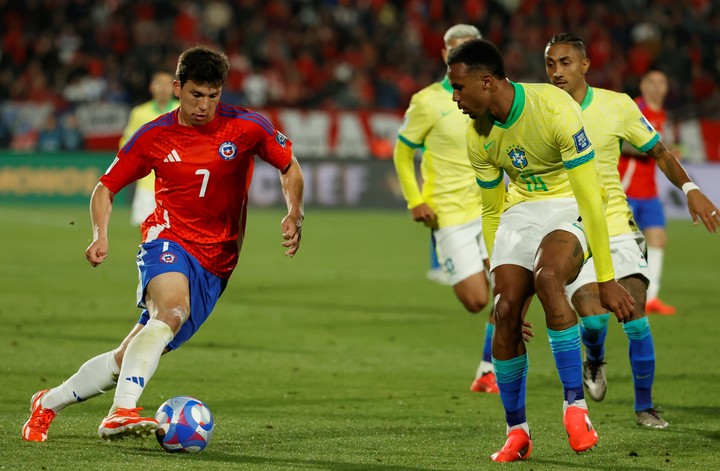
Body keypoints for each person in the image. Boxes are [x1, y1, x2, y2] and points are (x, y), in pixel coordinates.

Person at [21, 46, 305, 442]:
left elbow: (289, 165)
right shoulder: (155, 135)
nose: (204, 105)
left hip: (217, 260)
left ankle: (47, 403)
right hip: (167, 237)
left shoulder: (247, 126)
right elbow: (106, 187)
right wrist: (100, 234)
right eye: (195, 95)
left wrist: (293, 210)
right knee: (172, 311)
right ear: (177, 88)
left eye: (213, 95)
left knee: (131, 355)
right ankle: (121, 412)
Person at [447, 39, 635, 462]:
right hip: (522, 213)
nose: (455, 98)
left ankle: (576, 409)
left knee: (549, 278)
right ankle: (517, 432)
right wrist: (497, 275)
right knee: (505, 310)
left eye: (459, 88)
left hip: (572, 204)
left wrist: (605, 278)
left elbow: (590, 197)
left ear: (487, 81)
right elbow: (492, 211)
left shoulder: (552, 107)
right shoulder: (477, 135)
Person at [545, 33, 720, 430]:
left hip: (616, 224)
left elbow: (658, 150)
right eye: (551, 64)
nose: (557, 72)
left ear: (585, 65)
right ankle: (594, 358)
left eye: (566, 62)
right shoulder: (538, 108)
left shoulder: (617, 105)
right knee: (593, 320)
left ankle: (645, 407)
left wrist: (691, 189)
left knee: (635, 316)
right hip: (568, 230)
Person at [392, 24, 498, 393]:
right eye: (455, 49)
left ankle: (490, 369)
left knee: (508, 291)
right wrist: (415, 199)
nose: (461, 55)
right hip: (450, 213)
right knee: (476, 300)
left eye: (469, 48)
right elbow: (403, 152)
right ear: (443, 54)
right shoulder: (428, 101)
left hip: (494, 208)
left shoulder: (494, 92)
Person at [618, 69, 679, 315]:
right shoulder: (633, 108)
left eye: (661, 82)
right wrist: (657, 147)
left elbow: (662, 146)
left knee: (657, 240)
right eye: (651, 82)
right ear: (642, 85)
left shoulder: (662, 114)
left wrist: (669, 149)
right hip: (626, 188)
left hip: (649, 191)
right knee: (622, 245)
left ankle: (651, 298)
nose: (656, 87)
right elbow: (622, 143)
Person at [119, 71, 180, 226]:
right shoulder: (139, 113)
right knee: (145, 228)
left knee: (176, 229)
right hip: (147, 181)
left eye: (167, 84)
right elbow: (127, 142)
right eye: (159, 83)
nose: (163, 88)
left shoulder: (183, 110)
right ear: (151, 87)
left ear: (175, 87)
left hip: (177, 181)